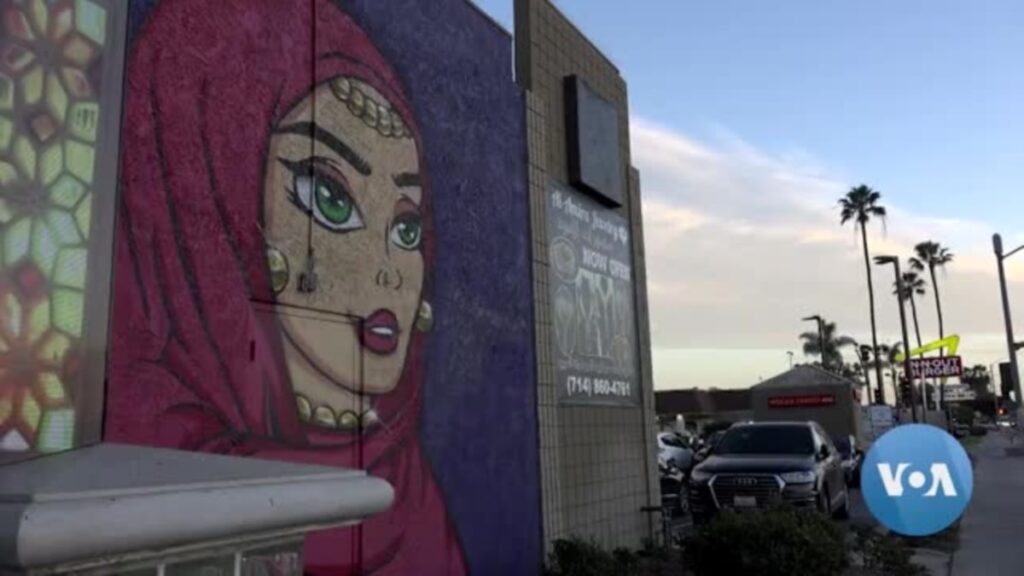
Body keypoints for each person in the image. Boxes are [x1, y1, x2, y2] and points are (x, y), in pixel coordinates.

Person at [106, 0, 466, 573]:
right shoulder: (135, 466)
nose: (390, 270)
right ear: (220, 193)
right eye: (330, 198)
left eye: (406, 227)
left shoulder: (410, 492)